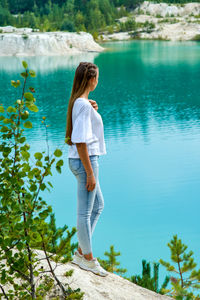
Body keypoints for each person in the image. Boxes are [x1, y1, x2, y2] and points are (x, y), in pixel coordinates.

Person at [65, 62, 108, 277]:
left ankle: (82, 251)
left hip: (84, 161)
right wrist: (90, 172)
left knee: (98, 205)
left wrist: (92, 111)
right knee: (85, 212)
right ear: (91, 79)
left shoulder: (81, 103)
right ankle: (88, 259)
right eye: (97, 77)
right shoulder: (81, 104)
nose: (98, 81)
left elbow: (84, 129)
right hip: (86, 162)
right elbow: (80, 141)